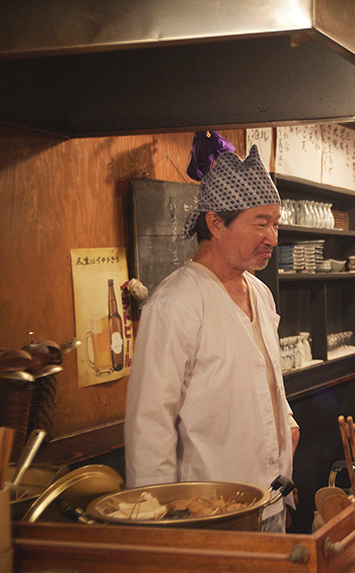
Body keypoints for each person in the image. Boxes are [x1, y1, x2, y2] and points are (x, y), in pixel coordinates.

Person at [125, 145, 299, 533]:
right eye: (260, 223)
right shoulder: (176, 303)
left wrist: (287, 424)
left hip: (271, 499)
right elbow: (149, 423)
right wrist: (159, 523)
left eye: (275, 224)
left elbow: (265, 378)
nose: (272, 238)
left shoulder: (260, 293)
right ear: (216, 223)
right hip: (210, 516)